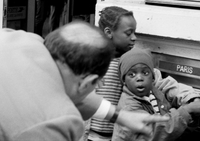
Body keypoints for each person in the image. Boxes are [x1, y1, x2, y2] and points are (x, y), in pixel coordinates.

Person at [0, 20, 168, 141]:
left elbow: (59, 90)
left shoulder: (23, 40)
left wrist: (120, 116)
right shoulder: (56, 122)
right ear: (89, 83)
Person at [86, 6, 200, 141]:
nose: (134, 38)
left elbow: (163, 83)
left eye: (134, 32)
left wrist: (191, 97)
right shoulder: (89, 62)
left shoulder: (132, 63)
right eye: (128, 33)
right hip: (89, 135)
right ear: (108, 32)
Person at [112, 47, 200, 141]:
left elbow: (174, 88)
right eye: (132, 74)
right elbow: (155, 131)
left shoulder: (153, 90)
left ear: (153, 78)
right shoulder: (128, 106)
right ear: (124, 81)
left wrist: (191, 99)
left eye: (145, 73)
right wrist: (187, 110)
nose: (139, 78)